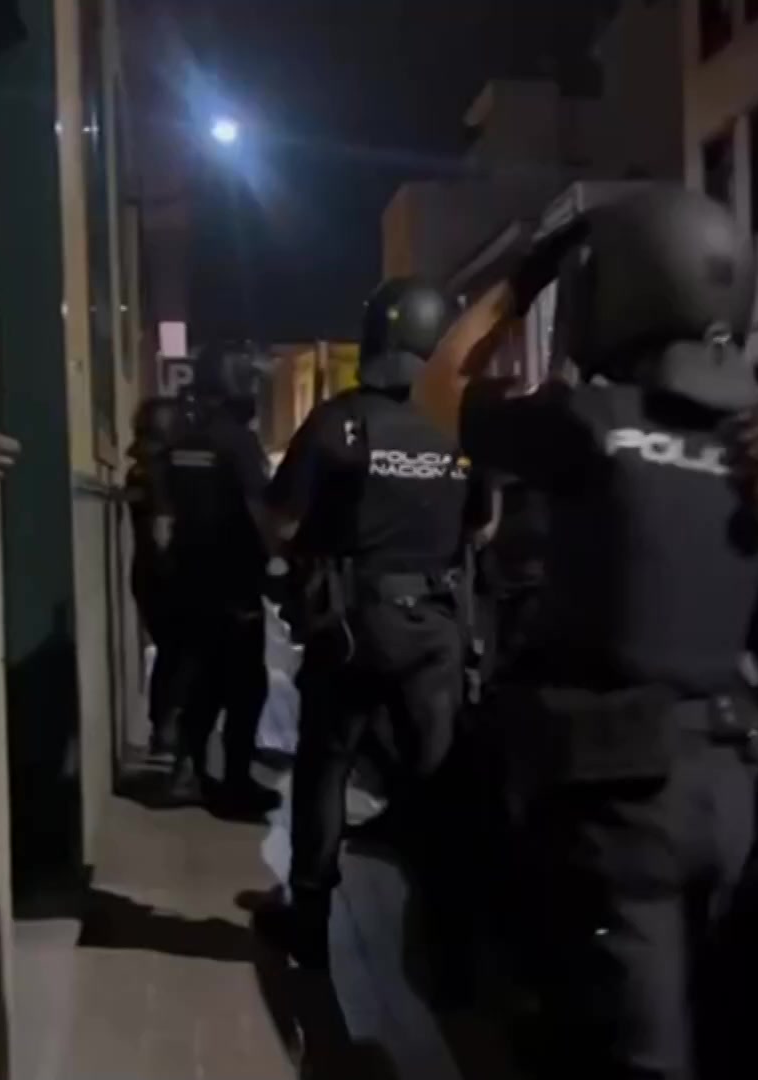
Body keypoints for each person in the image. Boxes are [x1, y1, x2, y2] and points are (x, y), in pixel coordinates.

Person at [409, 185, 758, 1079]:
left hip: (620, 799)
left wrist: (524, 278)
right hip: (728, 785)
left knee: (629, 1051)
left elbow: (439, 391)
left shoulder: (593, 425)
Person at [254, 277, 473, 969]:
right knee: (436, 781)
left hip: (350, 626)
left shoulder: (338, 422)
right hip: (433, 627)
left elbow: (280, 522)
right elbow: (486, 525)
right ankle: (447, 942)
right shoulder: (458, 431)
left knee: (326, 765)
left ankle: (310, 919)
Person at [150, 342, 282, 817]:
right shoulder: (238, 443)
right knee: (245, 685)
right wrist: (279, 562)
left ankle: (186, 771)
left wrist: (172, 569)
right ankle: (236, 781)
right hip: (234, 583)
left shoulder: (179, 442)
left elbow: (162, 518)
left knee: (196, 678)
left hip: (187, 581)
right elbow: (259, 510)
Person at [126, 395, 192, 758]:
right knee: (180, 655)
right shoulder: (160, 471)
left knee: (171, 653)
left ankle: (163, 728)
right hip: (167, 574)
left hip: (147, 573)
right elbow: (162, 527)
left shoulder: (140, 468)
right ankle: (168, 729)